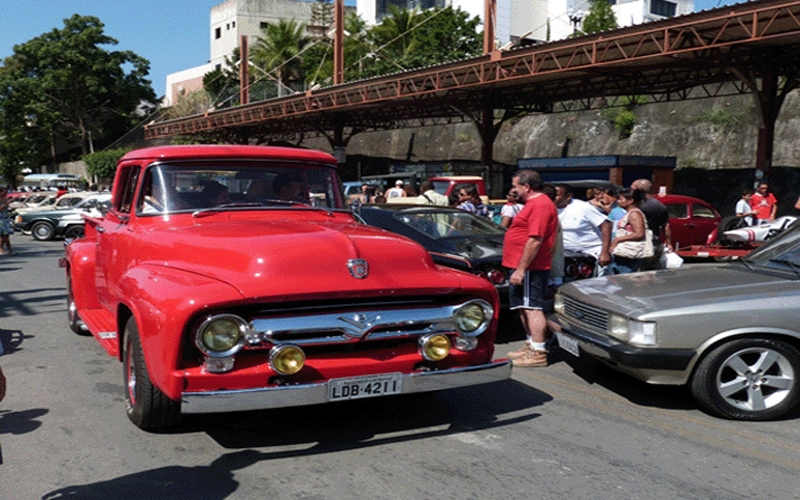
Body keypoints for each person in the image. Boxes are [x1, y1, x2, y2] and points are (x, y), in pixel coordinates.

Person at [503, 170, 559, 368]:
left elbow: (535, 240)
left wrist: (521, 269)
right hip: (521, 265)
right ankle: (531, 344)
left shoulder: (541, 205)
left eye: (516, 186)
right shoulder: (532, 205)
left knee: (532, 307)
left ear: (526, 187)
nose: (513, 190)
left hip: (530, 267)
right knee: (522, 307)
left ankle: (538, 350)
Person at [554, 184, 612, 271]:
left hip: (591, 253)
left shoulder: (583, 207)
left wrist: (605, 252)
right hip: (566, 254)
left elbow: (606, 224)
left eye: (557, 195)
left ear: (568, 196)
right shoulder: (548, 208)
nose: (553, 197)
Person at [631, 179, 671, 269]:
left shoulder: (638, 206)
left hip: (642, 244)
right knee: (653, 272)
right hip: (657, 243)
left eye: (632, 188)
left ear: (638, 189)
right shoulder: (660, 205)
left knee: (639, 274)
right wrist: (669, 243)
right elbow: (666, 226)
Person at [609, 188, 649, 274]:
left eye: (620, 199)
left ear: (630, 200)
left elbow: (639, 233)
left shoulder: (634, 214)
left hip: (629, 253)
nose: (618, 201)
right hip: (625, 252)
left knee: (621, 279)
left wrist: (618, 240)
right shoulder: (630, 212)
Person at [0, 186, 14, 255]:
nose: (6, 193)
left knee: (4, 235)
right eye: (4, 192)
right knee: (4, 235)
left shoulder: (5, 199)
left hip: (5, 219)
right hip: (0, 219)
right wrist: (8, 202)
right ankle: (9, 249)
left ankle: (2, 248)